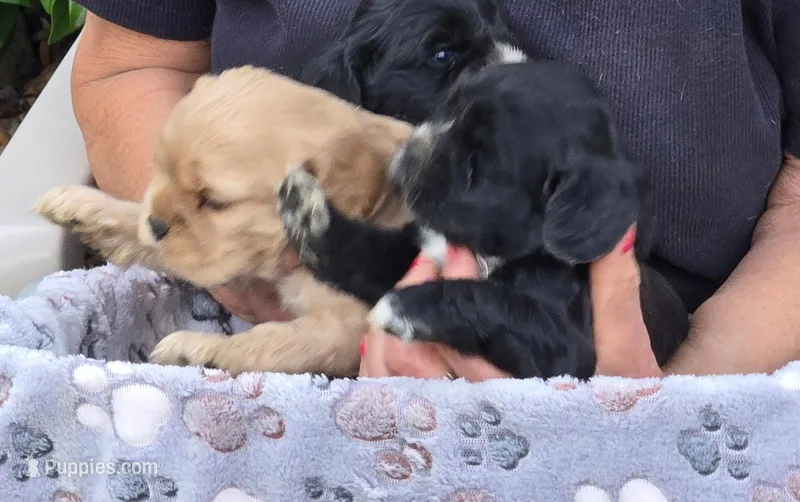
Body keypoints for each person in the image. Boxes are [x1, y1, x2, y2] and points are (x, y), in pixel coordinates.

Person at [72, 0, 800, 379]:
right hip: (276, 329)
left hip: (699, 355)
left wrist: (690, 386)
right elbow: (130, 67)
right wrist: (258, 274)